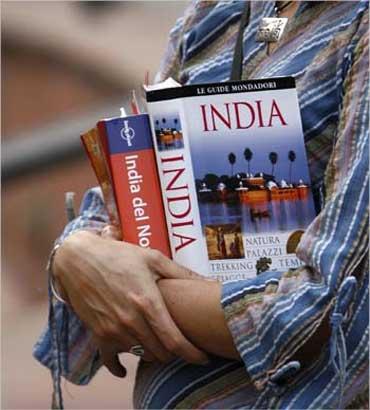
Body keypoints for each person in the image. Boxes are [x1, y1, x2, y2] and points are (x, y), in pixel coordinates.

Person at [34, 1, 369, 409]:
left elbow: (328, 305)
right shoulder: (215, 15)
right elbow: (121, 197)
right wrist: (74, 255)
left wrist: (118, 285)